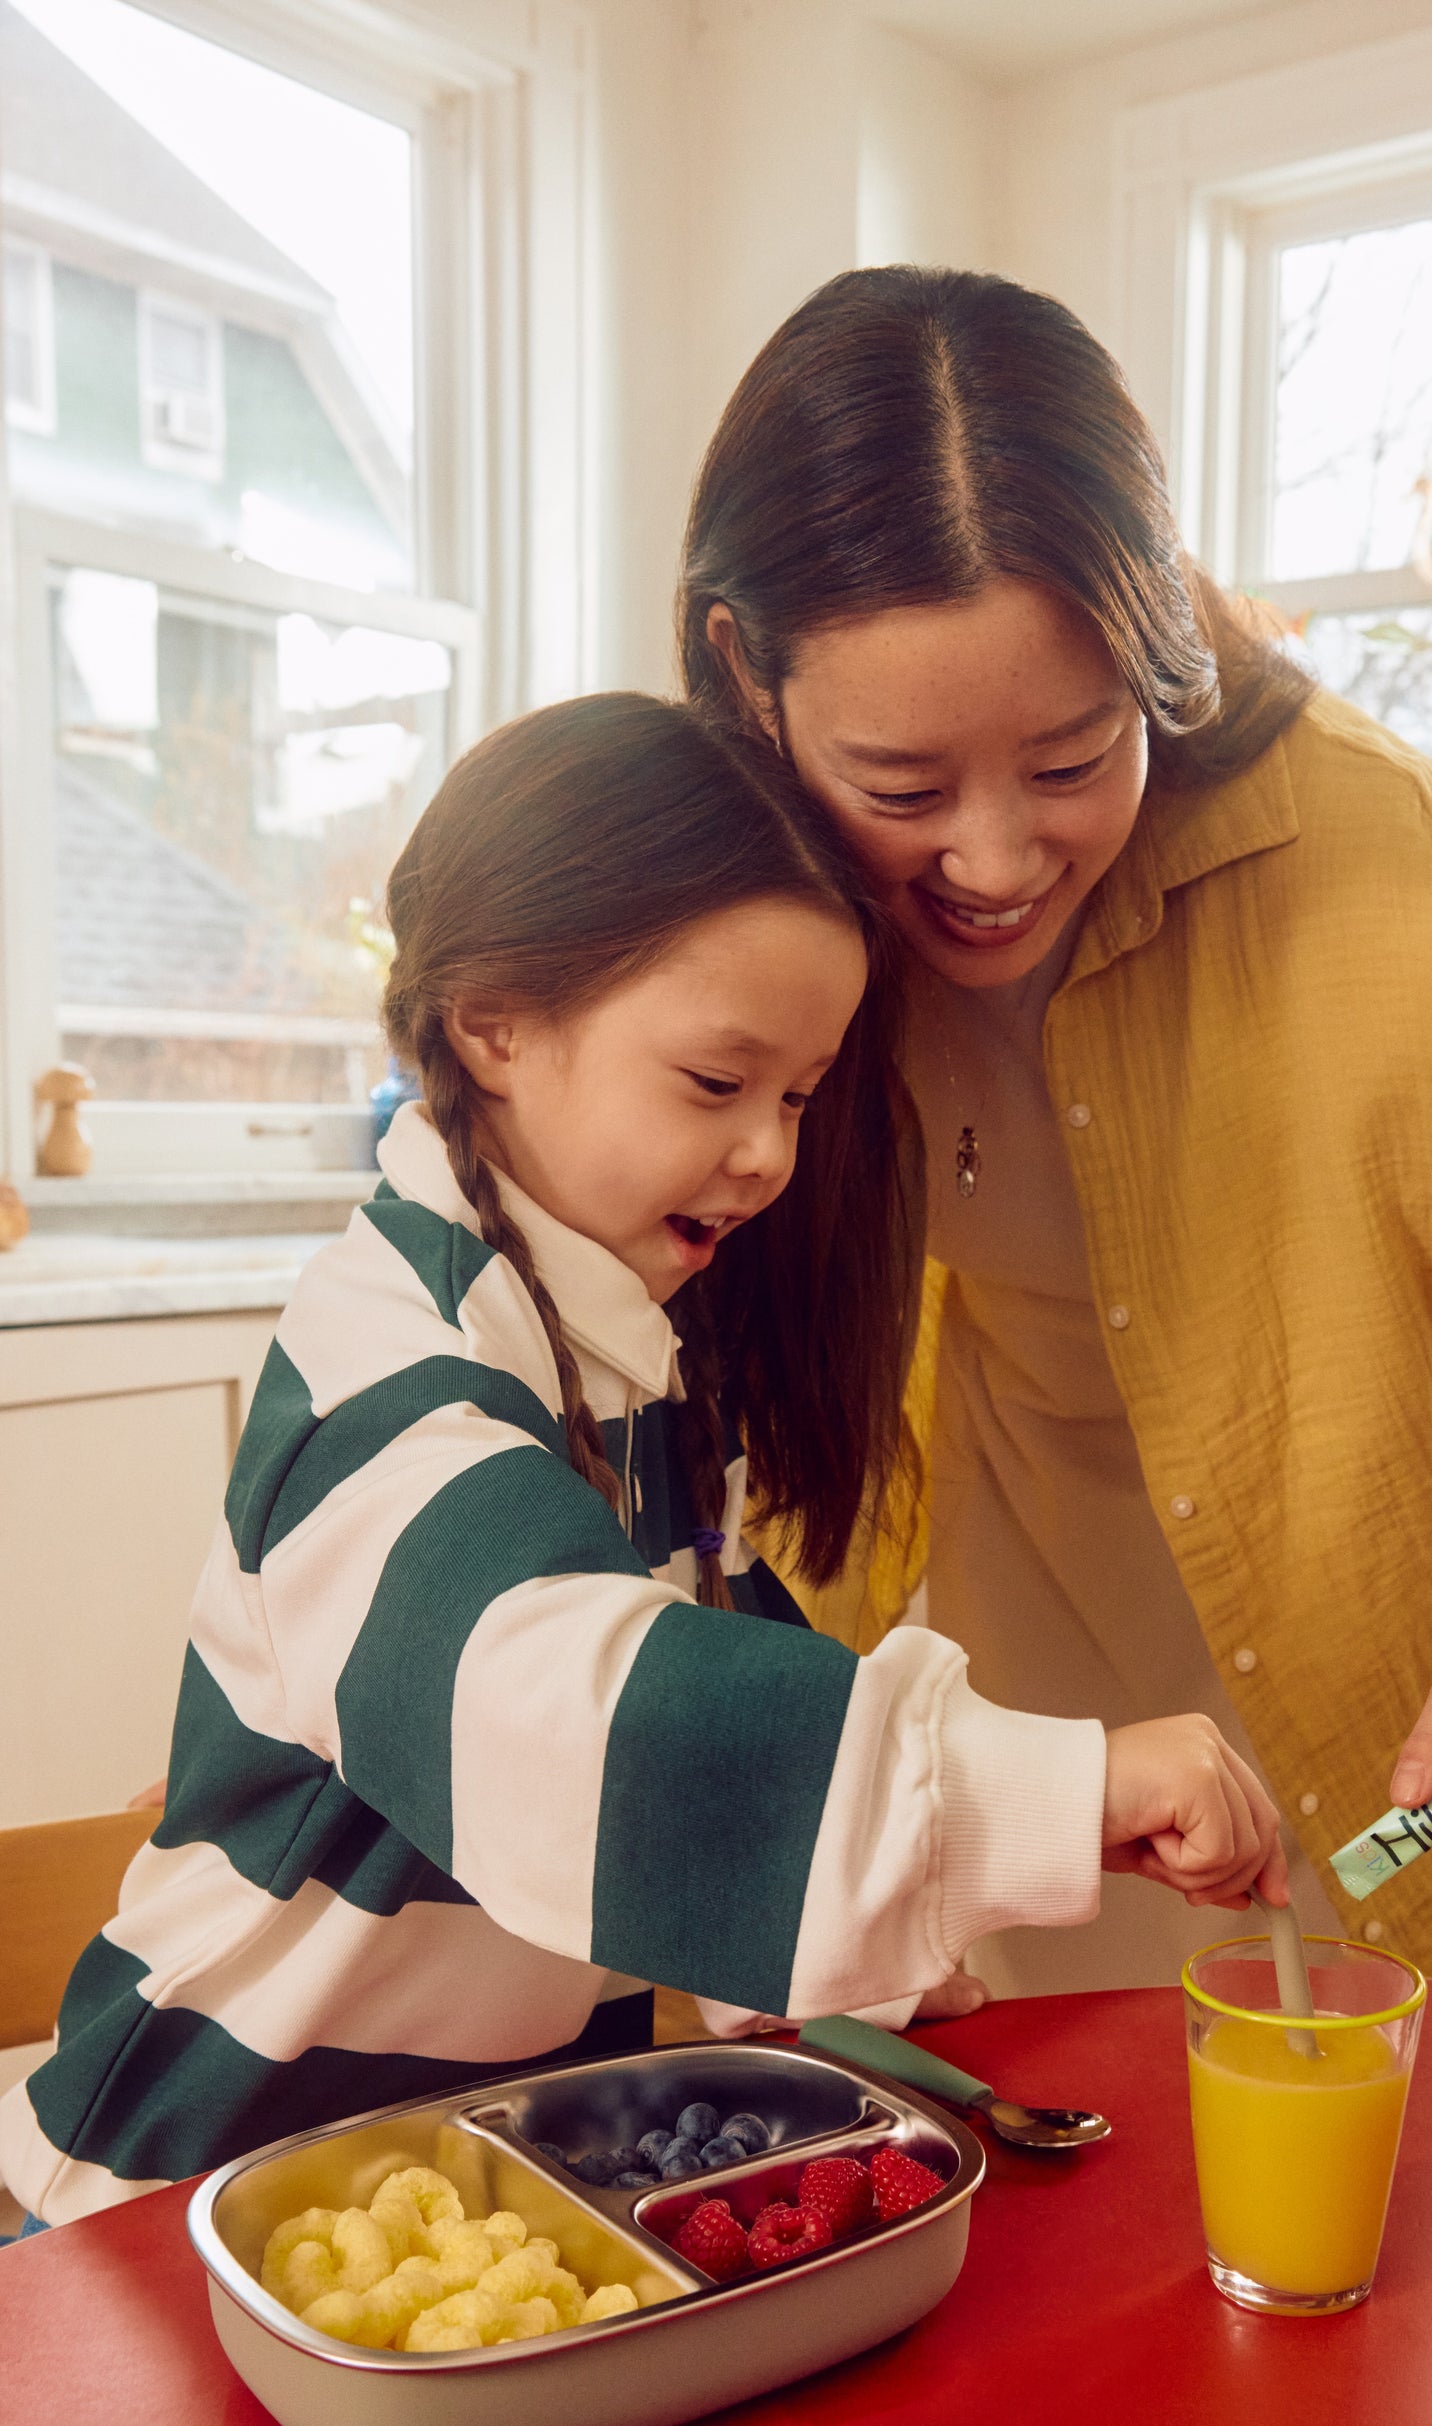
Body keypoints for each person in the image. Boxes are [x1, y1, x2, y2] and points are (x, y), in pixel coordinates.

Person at [678, 265, 1432, 1994]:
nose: (996, 859)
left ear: (1155, 656)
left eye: (1073, 759)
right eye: (902, 788)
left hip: (1398, 1744)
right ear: (745, 673)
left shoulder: (1388, 857)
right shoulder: (711, 905)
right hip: (1016, 1733)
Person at [0, 695, 1283, 2229]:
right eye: (716, 1083)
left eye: (798, 1095)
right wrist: (1052, 1788)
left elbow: (716, 1641)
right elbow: (593, 1722)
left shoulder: (623, 1344)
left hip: (431, 2188)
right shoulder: (390, 1370)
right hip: (179, 2189)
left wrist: (823, 1923)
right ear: (494, 1023)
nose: (770, 1152)